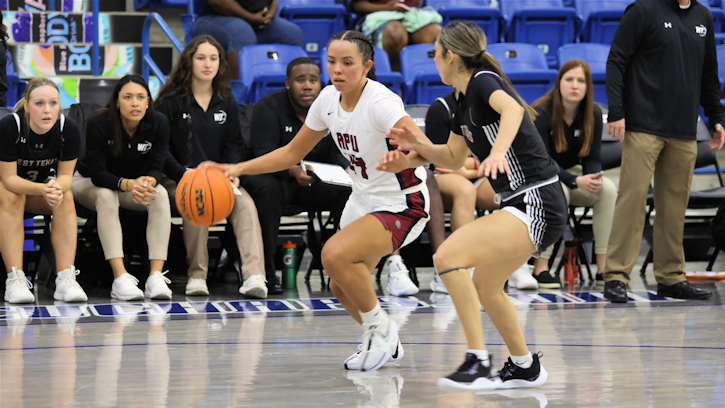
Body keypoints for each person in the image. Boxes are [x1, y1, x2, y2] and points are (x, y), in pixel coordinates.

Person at [204, 30, 430, 371]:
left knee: (333, 254)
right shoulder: (327, 99)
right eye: (332, 62)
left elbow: (424, 149)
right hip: (363, 196)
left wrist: (406, 158)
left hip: (402, 202)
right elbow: (292, 152)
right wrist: (237, 167)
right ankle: (379, 332)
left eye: (347, 63)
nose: (337, 70)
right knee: (339, 283)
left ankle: (381, 329)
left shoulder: (381, 104)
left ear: (367, 66)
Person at [378, 21, 566, 390]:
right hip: (521, 201)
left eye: (435, 53)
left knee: (447, 257)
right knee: (486, 284)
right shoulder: (460, 102)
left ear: (450, 56)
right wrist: (410, 153)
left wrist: (497, 153)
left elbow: (512, 110)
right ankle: (524, 365)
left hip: (538, 198)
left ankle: (477, 360)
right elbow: (449, 155)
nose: (433, 60)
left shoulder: (482, 81)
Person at [603, 0, 724, 303]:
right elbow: (616, 61)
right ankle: (616, 276)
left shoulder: (704, 17)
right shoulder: (643, 10)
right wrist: (617, 111)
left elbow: (709, 73)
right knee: (631, 200)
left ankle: (671, 277)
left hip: (684, 128)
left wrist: (717, 117)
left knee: (674, 206)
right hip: (644, 124)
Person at [156, 35, 268, 298]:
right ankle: (197, 276)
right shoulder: (170, 100)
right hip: (176, 178)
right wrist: (184, 175)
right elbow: (160, 150)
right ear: (189, 62)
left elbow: (233, 143)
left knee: (246, 206)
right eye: (201, 58)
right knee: (198, 202)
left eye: (213, 58)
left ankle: (255, 276)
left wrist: (231, 170)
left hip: (217, 178)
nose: (208, 64)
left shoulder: (226, 99)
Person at [71, 75, 173, 301]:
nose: (134, 103)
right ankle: (120, 278)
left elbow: (158, 166)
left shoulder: (159, 123)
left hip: (129, 185)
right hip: (86, 181)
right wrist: (127, 184)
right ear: (117, 101)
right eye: (128, 97)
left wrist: (149, 182)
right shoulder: (98, 123)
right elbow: (97, 173)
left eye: (140, 97)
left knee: (160, 195)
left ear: (148, 102)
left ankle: (155, 276)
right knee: (107, 196)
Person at [525, 60, 617, 288]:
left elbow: (592, 157)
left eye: (581, 81)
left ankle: (603, 269)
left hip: (571, 174)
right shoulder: (541, 112)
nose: (575, 85)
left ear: (588, 87)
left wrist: (593, 178)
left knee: (608, 190)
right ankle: (540, 268)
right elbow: (543, 161)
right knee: (558, 192)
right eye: (569, 80)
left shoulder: (593, 112)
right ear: (559, 84)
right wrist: (575, 181)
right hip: (541, 176)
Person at [0, 78, 88, 303]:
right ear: (27, 106)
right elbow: (9, 179)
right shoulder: (11, 126)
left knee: (65, 197)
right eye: (39, 104)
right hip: (8, 193)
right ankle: (15, 279)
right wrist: (43, 188)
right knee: (12, 195)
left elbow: (66, 176)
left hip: (36, 194)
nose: (47, 110)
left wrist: (56, 189)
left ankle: (65, 278)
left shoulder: (68, 128)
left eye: (53, 103)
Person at [423, 90, 478, 294]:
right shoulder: (441, 109)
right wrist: (475, 167)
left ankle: (515, 264)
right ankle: (460, 265)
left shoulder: (493, 107)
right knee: (465, 190)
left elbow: (500, 156)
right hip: (440, 178)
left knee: (512, 185)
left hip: (479, 173)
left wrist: (472, 167)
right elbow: (442, 161)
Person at [192, 0, 304, 78]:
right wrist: (251, 18)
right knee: (242, 33)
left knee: (292, 33)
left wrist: (270, 15)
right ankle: (239, 98)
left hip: (256, 22)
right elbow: (218, 2)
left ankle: (291, 94)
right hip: (214, 18)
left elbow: (273, 2)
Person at [351, 0, 442, 70]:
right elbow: (357, 5)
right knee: (395, 34)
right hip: (378, 14)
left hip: (412, 14)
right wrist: (387, 7)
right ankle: (391, 81)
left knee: (437, 35)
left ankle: (425, 82)